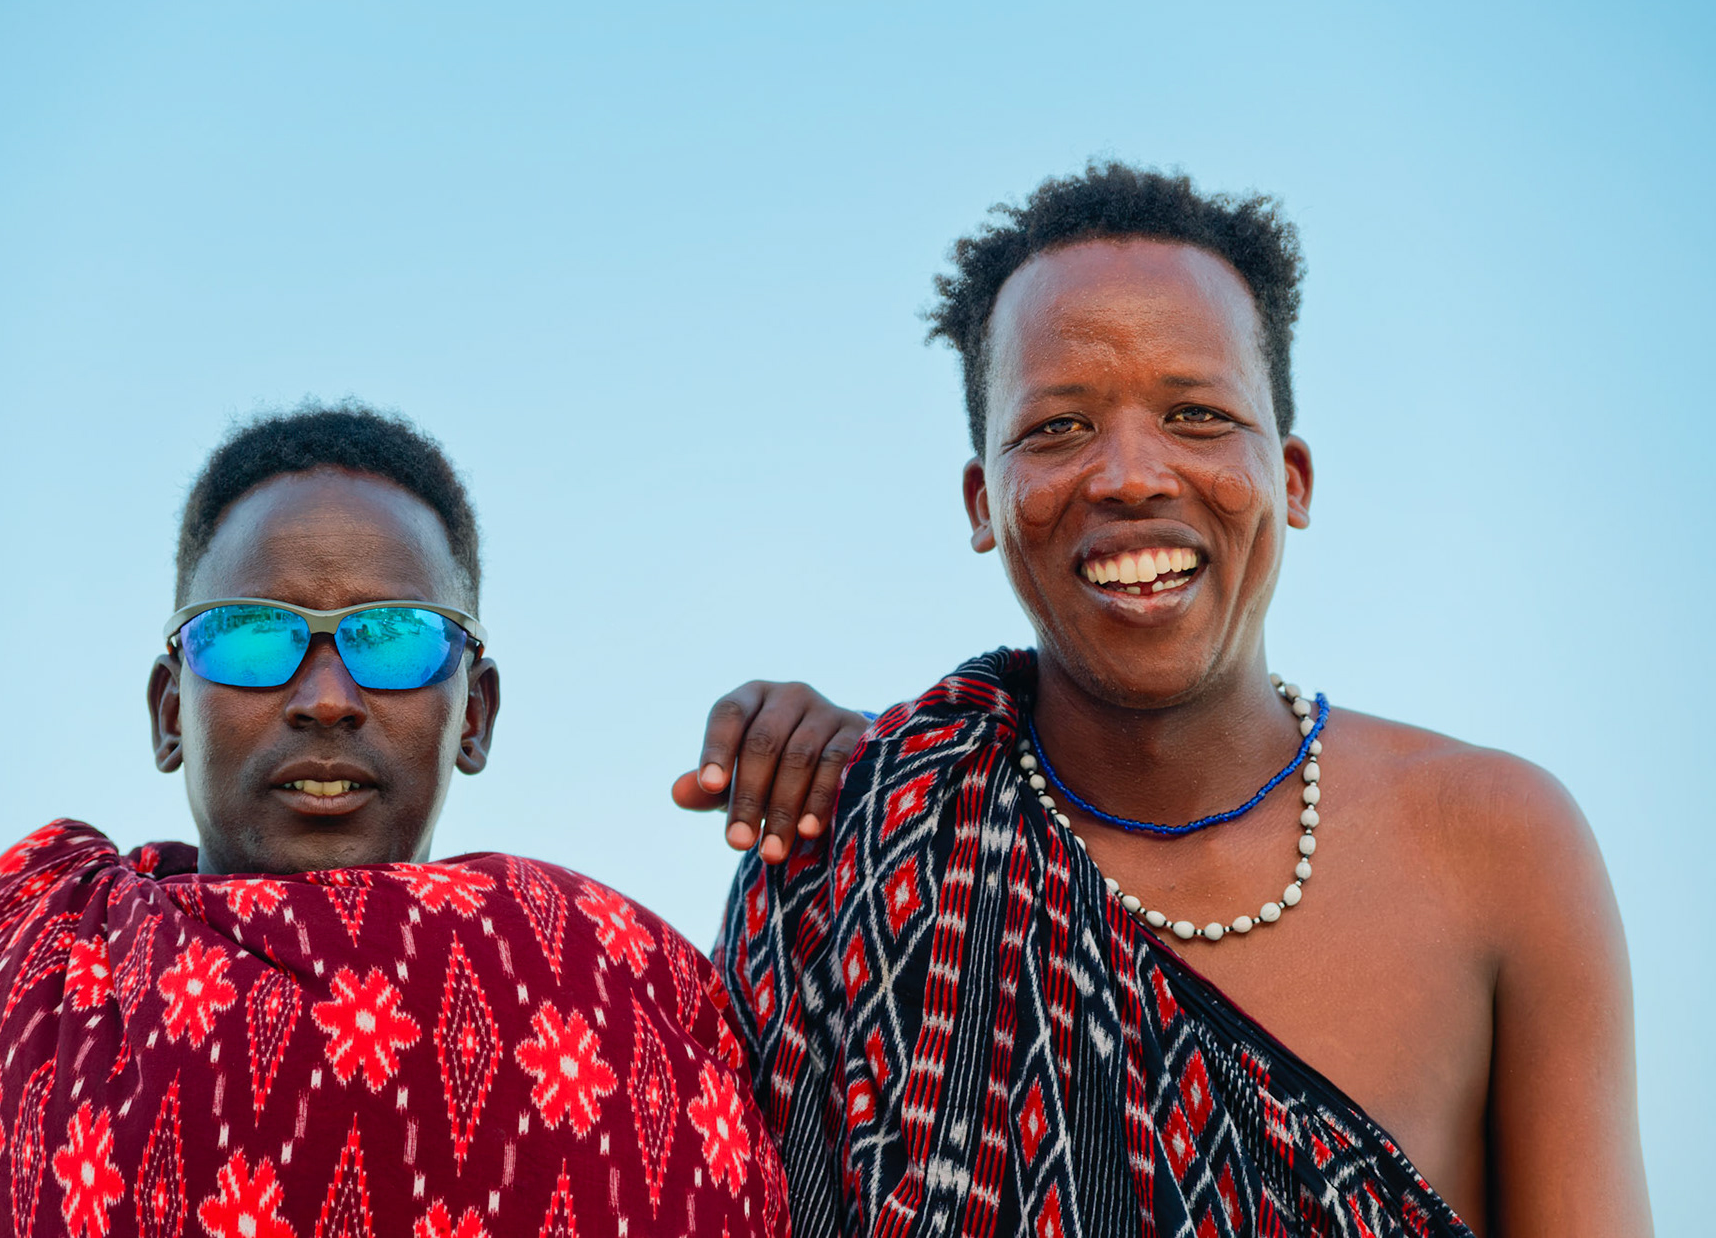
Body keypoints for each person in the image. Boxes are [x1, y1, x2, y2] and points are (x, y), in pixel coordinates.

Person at [700, 164, 1651, 1236]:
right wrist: (863, 788)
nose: (1132, 475)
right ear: (983, 500)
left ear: (1291, 478)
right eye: (1057, 428)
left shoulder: (1499, 843)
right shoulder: (869, 853)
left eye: (1197, 413)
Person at [0, 405, 869, 1238]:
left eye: (396, 639)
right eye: (248, 637)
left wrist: (869, 770)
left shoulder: (613, 988)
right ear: (166, 711)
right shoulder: (16, 992)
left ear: (478, 714)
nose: (326, 694)